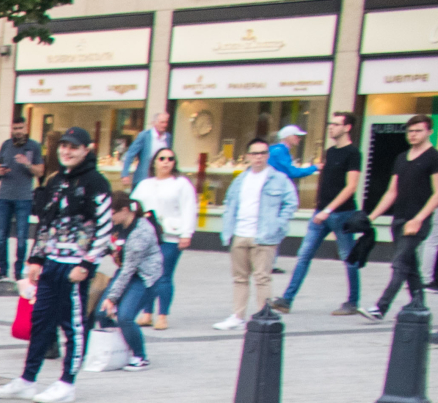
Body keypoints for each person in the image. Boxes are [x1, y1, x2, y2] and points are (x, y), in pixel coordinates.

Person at [0, 126, 112, 403]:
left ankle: (67, 382)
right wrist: (36, 258)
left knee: (73, 326)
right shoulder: (57, 180)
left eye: (74, 147)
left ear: (86, 150)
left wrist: (87, 265)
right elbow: (46, 223)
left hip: (74, 269)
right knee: (40, 322)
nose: (67, 152)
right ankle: (27, 379)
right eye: (64, 146)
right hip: (51, 264)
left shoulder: (96, 183)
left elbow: (104, 229)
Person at [276, 110, 364, 314]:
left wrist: (328, 209)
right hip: (321, 213)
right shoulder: (331, 151)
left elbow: (351, 186)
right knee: (304, 254)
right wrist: (321, 208)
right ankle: (287, 300)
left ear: (347, 127)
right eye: (330, 124)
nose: (331, 127)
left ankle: (352, 302)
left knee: (348, 257)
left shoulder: (353, 153)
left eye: (336, 124)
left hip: (342, 214)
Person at [213, 138, 298, 330]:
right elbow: (230, 204)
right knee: (240, 278)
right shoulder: (240, 179)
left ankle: (263, 317)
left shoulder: (279, 179)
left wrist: (278, 225)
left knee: (262, 278)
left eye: (263, 153)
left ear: (267, 156)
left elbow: (291, 203)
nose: (259, 157)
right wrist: (229, 230)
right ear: (248, 156)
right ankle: (237, 315)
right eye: (255, 153)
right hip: (240, 233)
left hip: (264, 236)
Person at [364, 112, 435, 321]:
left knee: (399, 264)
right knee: (410, 268)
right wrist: (372, 217)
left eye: (418, 131)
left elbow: (437, 193)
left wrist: (419, 218)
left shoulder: (433, 157)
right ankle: (419, 307)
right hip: (399, 220)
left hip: (417, 221)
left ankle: (380, 307)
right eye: (410, 131)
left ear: (429, 132)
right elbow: (391, 192)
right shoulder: (401, 158)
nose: (412, 135)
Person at [131, 147, 196, 331]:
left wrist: (186, 233)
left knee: (164, 275)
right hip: (148, 236)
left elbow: (189, 208)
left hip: (170, 236)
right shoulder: (145, 184)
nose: (166, 161)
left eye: (170, 158)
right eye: (162, 158)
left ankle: (163, 315)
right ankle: (147, 313)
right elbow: (133, 206)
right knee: (146, 275)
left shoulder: (181, 184)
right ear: (154, 162)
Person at [98, 199, 162, 371]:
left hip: (143, 276)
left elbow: (128, 270)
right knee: (102, 313)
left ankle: (140, 356)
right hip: (127, 271)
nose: (110, 218)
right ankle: (119, 348)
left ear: (125, 210)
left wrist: (112, 298)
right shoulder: (117, 226)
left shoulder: (141, 232)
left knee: (125, 316)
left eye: (112, 213)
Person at [0, 119, 42, 281]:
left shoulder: (34, 146)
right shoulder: (6, 145)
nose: (17, 131)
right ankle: (2, 270)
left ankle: (18, 271)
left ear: (26, 128)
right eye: (15, 128)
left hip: (23, 197)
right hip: (5, 196)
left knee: (21, 236)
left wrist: (27, 164)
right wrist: (0, 170)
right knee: (1, 235)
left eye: (20, 128)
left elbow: (40, 172)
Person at [119, 110, 171, 188]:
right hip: (143, 178)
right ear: (154, 123)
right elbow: (130, 154)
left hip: (159, 179)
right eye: (162, 122)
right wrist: (125, 174)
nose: (164, 125)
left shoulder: (167, 137)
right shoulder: (144, 136)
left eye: (166, 122)